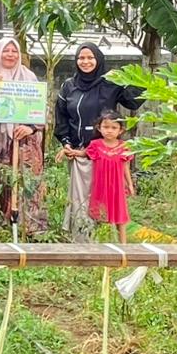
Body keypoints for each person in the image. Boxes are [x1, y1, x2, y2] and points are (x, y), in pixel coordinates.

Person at [54, 43, 144, 242]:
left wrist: (132, 77)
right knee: (81, 199)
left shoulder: (110, 83)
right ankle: (83, 243)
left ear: (99, 60)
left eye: (90, 58)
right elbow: (61, 118)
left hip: (106, 154)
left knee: (105, 198)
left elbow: (133, 101)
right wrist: (66, 142)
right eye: (81, 58)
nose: (85, 62)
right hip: (79, 153)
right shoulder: (68, 86)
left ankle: (106, 241)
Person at [0, 37, 47, 235]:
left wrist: (31, 127)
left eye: (14, 51)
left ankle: (30, 229)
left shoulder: (28, 77)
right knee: (0, 180)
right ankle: (1, 228)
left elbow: (42, 109)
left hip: (26, 141)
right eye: (6, 51)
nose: (10, 55)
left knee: (28, 181)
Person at [74, 111, 135, 243]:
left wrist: (129, 184)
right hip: (101, 186)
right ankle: (100, 245)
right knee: (100, 214)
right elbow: (83, 154)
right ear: (99, 128)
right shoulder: (95, 145)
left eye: (114, 128)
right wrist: (69, 151)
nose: (109, 131)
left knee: (120, 215)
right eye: (106, 127)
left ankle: (123, 246)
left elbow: (126, 166)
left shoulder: (124, 146)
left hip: (117, 187)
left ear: (120, 130)